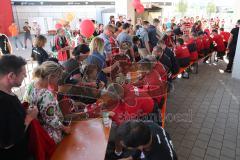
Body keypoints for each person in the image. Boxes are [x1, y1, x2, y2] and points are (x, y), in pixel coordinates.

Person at [0, 55, 38, 159]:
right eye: (23, 74)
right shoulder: (3, 102)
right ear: (11, 76)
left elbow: (11, 118)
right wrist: (29, 118)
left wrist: (24, 112)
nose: (25, 76)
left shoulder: (7, 92)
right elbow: (7, 142)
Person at [23, 61, 70, 143]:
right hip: (49, 134)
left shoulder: (31, 85)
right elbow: (50, 119)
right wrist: (64, 128)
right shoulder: (46, 94)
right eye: (57, 78)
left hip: (35, 130)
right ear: (51, 77)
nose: (58, 81)